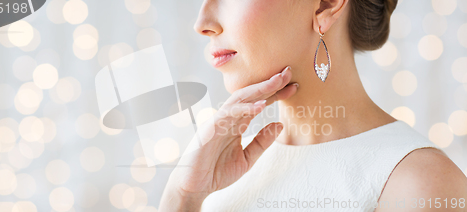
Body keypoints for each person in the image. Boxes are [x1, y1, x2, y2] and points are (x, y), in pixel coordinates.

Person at [159, 0, 467, 211]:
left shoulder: (421, 186)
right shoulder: (217, 174)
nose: (203, 23)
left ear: (326, 4)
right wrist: (182, 197)